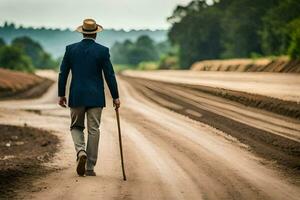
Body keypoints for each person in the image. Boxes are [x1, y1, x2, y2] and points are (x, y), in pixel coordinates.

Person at [58, 18, 120, 176]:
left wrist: (61, 94)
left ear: (83, 32)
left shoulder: (70, 49)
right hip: (96, 97)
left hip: (77, 96)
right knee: (94, 130)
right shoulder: (103, 51)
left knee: (76, 127)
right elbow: (110, 75)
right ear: (96, 34)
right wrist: (115, 96)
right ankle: (90, 167)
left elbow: (63, 73)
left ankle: (80, 152)